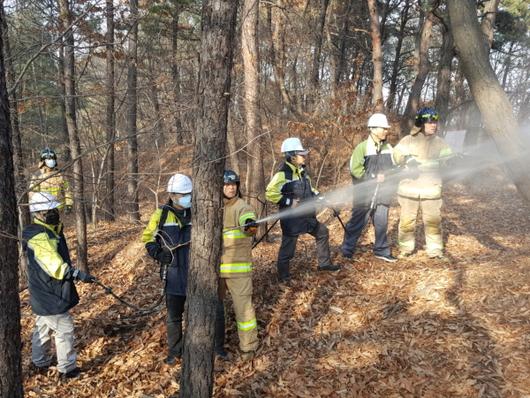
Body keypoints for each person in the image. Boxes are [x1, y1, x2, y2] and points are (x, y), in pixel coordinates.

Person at [23, 192, 95, 379]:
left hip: (43, 291)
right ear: (37, 214)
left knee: (43, 327)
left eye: (54, 209)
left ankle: (39, 362)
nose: (52, 212)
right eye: (48, 210)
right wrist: (75, 273)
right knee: (64, 329)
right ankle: (67, 369)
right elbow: (52, 263)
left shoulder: (50, 230)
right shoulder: (38, 235)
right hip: (50, 292)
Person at [265, 137, 340, 283]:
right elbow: (269, 193)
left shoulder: (302, 172)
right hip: (292, 220)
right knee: (288, 251)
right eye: (301, 154)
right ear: (292, 156)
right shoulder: (282, 174)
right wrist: (288, 201)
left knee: (323, 232)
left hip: (307, 217)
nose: (304, 156)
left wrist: (321, 197)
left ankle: (324, 264)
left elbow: (310, 189)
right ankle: (283, 278)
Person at [142, 173, 192, 365]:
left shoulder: (197, 211)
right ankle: (175, 351)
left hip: (196, 274)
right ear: (172, 195)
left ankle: (196, 348)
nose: (188, 197)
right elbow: (147, 237)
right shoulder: (161, 214)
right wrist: (156, 252)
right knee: (174, 316)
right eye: (184, 194)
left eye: (190, 193)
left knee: (197, 314)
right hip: (173, 274)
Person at [392, 107, 453, 259]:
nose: (434, 125)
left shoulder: (440, 143)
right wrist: (406, 159)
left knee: (433, 222)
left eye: (435, 123)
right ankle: (405, 249)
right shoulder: (408, 140)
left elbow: (448, 160)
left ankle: (435, 251)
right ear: (421, 123)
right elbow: (396, 155)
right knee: (407, 222)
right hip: (409, 190)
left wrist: (454, 161)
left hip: (431, 190)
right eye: (430, 122)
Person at [215, 170, 259, 361]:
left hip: (238, 271)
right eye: (226, 184)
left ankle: (248, 347)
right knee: (215, 310)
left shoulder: (243, 207)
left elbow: (247, 220)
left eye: (233, 184)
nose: (231, 187)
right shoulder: (214, 207)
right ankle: (216, 344)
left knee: (244, 311)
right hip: (215, 271)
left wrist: (249, 224)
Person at [341, 113, 397, 263]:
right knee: (357, 222)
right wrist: (373, 177)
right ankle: (347, 249)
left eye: (386, 128)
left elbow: (394, 166)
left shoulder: (388, 148)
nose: (386, 130)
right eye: (383, 128)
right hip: (364, 194)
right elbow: (355, 170)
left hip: (382, 193)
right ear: (373, 129)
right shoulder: (362, 147)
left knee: (381, 223)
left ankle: (381, 250)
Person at [30, 147, 73, 213]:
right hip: (43, 209)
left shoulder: (60, 174)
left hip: (58, 208)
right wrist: (34, 208)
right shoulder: (37, 175)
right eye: (49, 159)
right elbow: (32, 193)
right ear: (43, 160)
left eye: (53, 158)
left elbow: (68, 190)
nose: (51, 161)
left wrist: (69, 204)